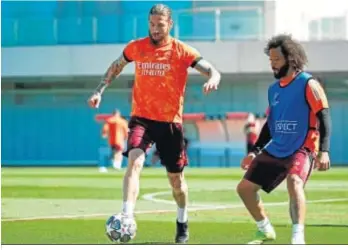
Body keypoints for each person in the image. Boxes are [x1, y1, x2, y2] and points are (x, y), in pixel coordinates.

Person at [87, 4, 221, 244]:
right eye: (152, 24)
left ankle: (182, 220)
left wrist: (214, 77)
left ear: (170, 25)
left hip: (170, 123)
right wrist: (99, 90)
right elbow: (116, 66)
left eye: (160, 25)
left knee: (176, 182)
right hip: (142, 118)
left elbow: (211, 68)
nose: (155, 29)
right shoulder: (137, 47)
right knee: (135, 161)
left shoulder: (182, 50)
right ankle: (127, 215)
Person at [236, 34, 331, 245]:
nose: (272, 64)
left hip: (302, 147)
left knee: (294, 182)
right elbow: (270, 125)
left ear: (291, 59)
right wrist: (254, 151)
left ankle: (298, 238)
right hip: (277, 147)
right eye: (270, 60)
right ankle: (265, 229)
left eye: (276, 60)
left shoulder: (309, 83)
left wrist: (324, 150)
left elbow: (324, 116)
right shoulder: (273, 90)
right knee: (244, 189)